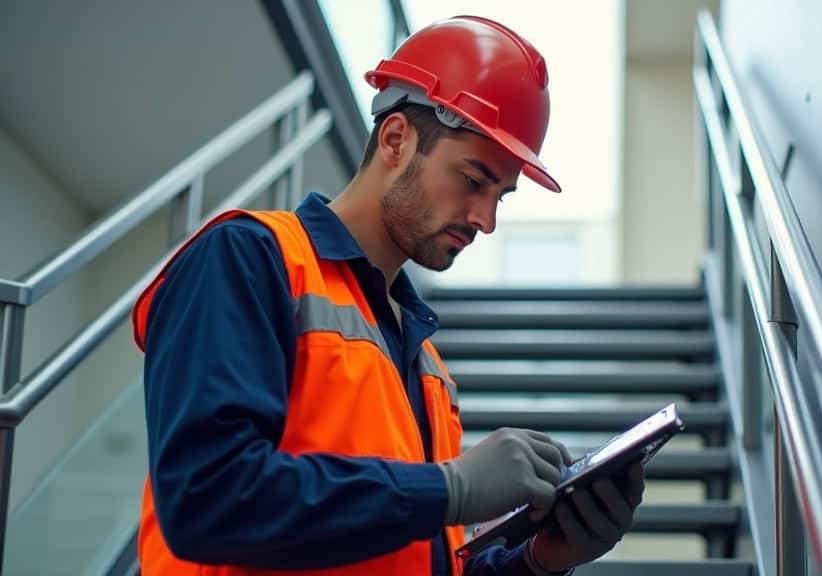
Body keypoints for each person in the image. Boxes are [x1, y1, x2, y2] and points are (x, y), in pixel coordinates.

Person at [131, 15, 644, 576]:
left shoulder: (423, 361)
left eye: (501, 195)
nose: (486, 219)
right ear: (396, 139)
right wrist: (449, 488)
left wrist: (540, 561)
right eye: (474, 180)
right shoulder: (252, 258)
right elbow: (207, 499)